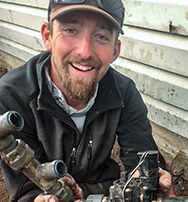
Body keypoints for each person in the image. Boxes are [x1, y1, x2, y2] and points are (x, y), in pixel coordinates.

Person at [0, 0, 175, 201]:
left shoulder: (124, 93)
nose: (85, 52)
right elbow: (25, 189)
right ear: (48, 36)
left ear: (115, 51)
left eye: (101, 36)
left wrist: (152, 178)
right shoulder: (13, 95)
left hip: (102, 190)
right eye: (71, 30)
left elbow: (142, 160)